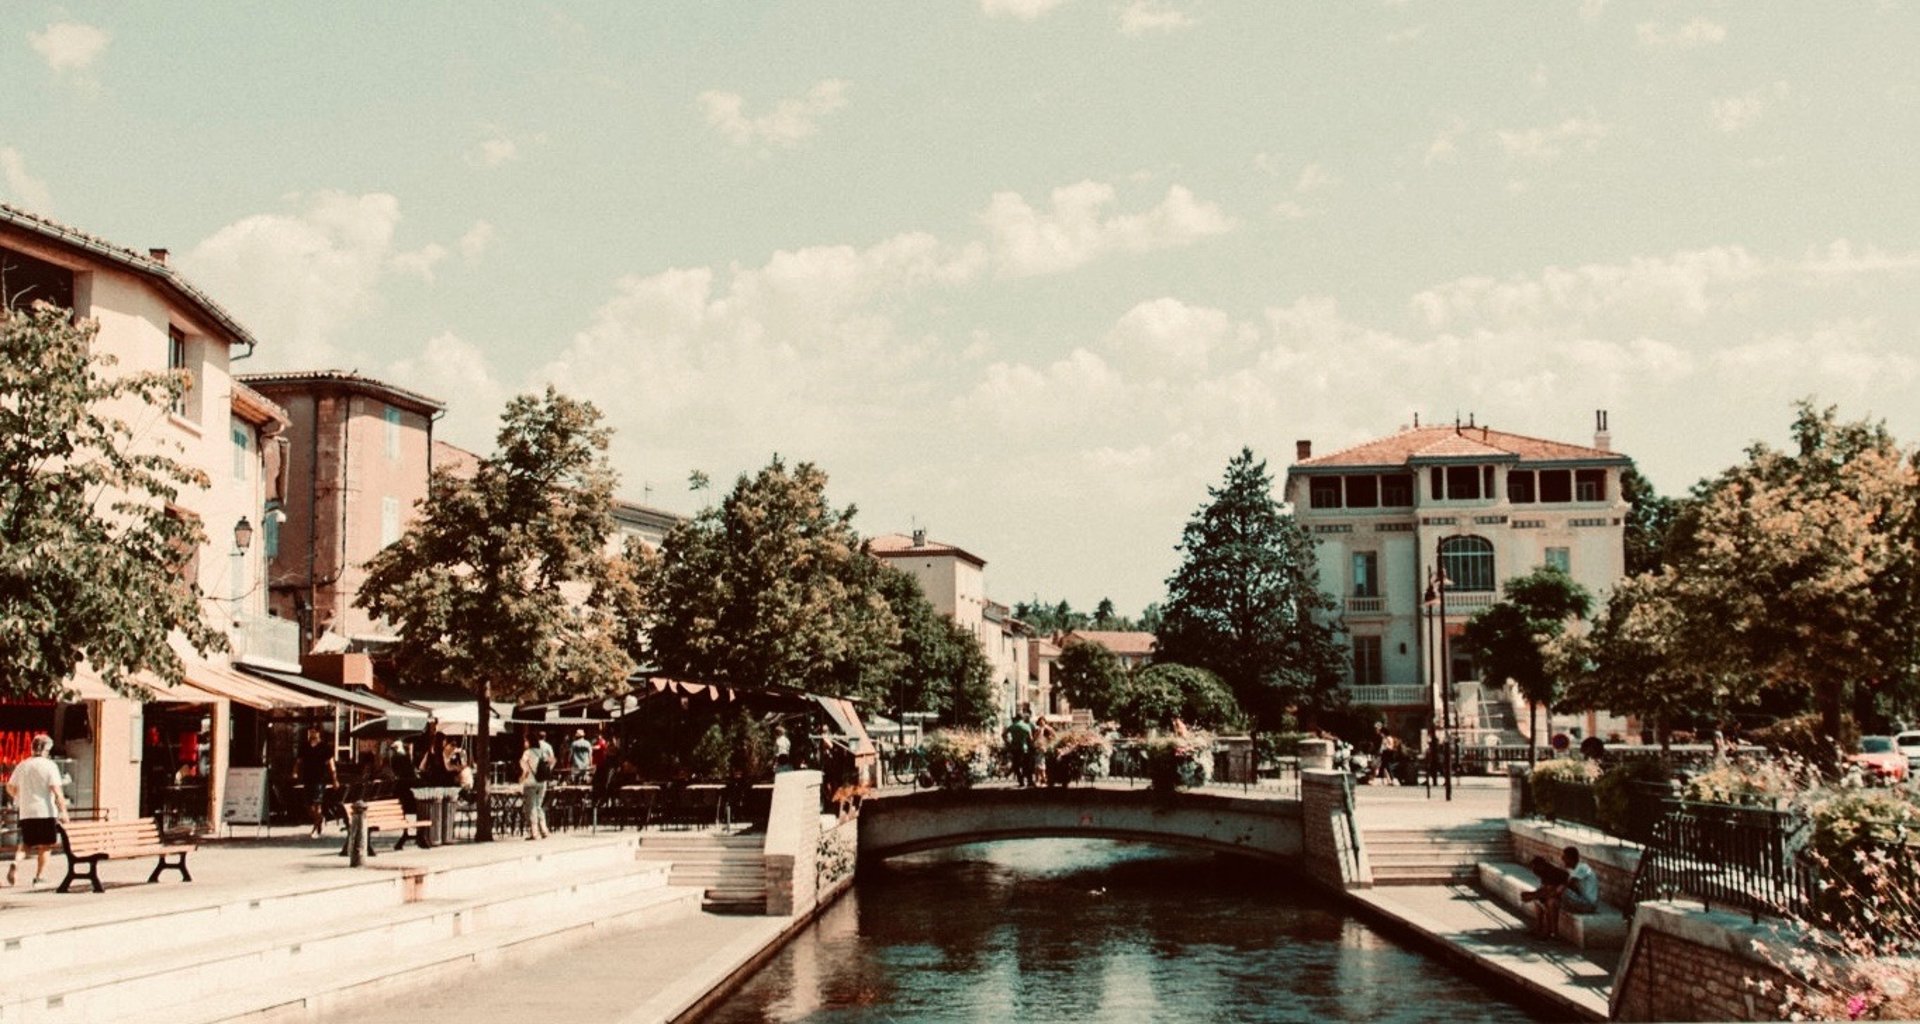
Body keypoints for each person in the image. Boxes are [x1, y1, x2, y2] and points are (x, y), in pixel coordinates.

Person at [5, 734, 68, 887]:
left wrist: (18, 796)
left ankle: (16, 862)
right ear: (46, 750)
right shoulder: (49, 766)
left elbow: (10, 786)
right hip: (45, 811)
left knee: (26, 843)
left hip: (26, 811)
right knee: (45, 845)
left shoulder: (23, 765)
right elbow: (57, 791)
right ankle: (39, 877)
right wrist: (63, 811)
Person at [296, 727, 337, 838]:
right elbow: (299, 761)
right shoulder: (304, 747)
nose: (312, 735)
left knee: (317, 803)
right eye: (310, 732)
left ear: (319, 734)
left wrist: (334, 779)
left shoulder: (325, 748)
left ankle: (315, 829)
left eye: (314, 732)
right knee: (308, 806)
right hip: (307, 778)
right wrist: (295, 772)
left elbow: (331, 764)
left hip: (320, 779)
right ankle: (320, 818)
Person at [518, 733, 551, 840]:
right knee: (538, 806)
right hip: (541, 782)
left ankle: (534, 832)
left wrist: (521, 779)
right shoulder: (541, 752)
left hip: (530, 783)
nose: (524, 743)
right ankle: (544, 829)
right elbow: (552, 761)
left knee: (531, 808)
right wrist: (544, 771)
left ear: (529, 741)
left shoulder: (527, 753)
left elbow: (525, 768)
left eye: (525, 740)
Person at [1004, 712, 1035, 788]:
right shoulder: (1026, 726)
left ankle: (1021, 781)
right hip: (1024, 748)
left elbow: (1003, 734)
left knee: (1016, 765)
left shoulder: (1012, 726)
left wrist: (1008, 742)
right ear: (1022, 718)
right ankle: (1029, 781)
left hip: (1014, 747)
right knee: (1026, 765)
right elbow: (1031, 739)